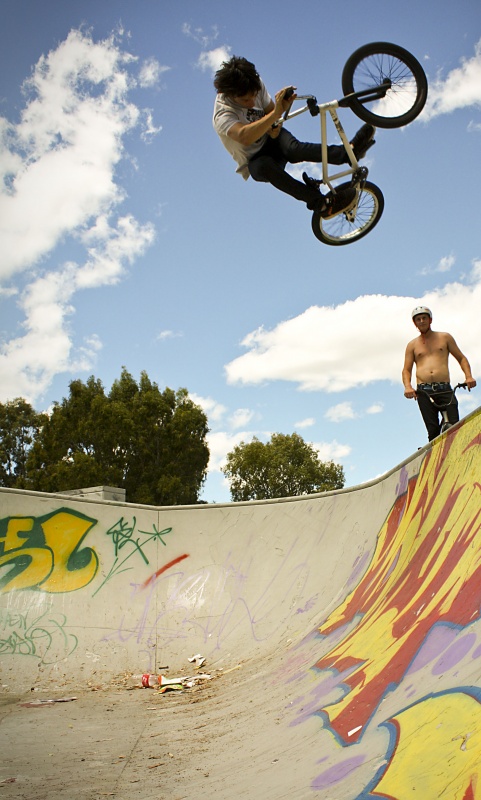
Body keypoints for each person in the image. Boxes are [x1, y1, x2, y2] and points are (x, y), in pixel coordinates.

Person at [212, 56, 376, 217]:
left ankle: (349, 153)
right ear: (228, 94)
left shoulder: (254, 83)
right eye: (245, 100)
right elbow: (244, 136)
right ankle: (324, 205)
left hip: (271, 138)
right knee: (263, 165)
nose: (252, 101)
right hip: (255, 158)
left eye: (254, 95)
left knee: (293, 149)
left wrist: (275, 125)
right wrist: (277, 113)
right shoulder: (223, 113)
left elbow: (270, 112)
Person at [402, 306, 476, 441]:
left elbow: (461, 358)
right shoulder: (412, 345)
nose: (422, 321)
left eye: (424, 318)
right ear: (415, 323)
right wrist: (408, 386)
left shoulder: (445, 337)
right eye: (418, 319)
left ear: (430, 320)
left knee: (456, 426)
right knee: (433, 431)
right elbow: (407, 369)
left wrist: (468, 376)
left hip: (445, 389)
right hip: (424, 392)